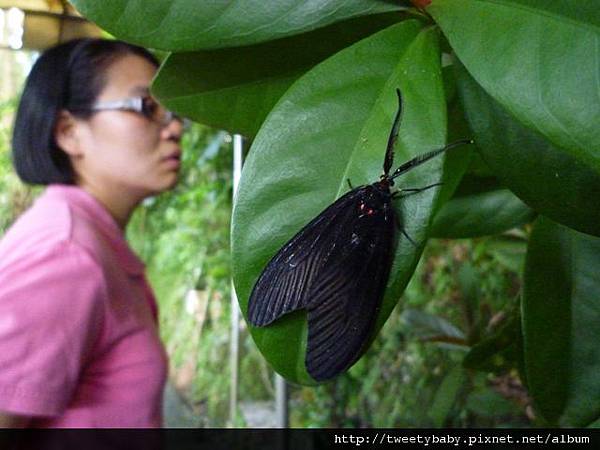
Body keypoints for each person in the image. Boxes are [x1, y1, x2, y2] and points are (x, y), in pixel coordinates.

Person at [0, 38, 184, 427]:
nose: (175, 128)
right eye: (145, 107)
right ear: (69, 132)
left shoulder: (91, 241)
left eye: (172, 111)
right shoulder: (63, 254)